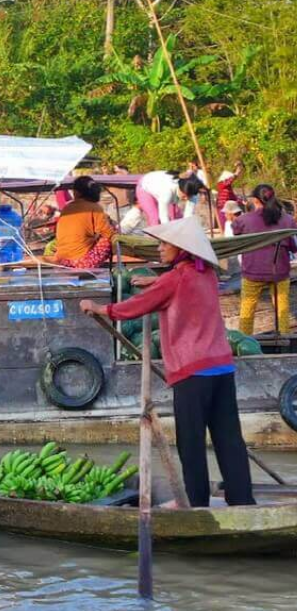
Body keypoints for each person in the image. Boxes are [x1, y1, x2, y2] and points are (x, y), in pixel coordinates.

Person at [80, 218, 254, 508]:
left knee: (190, 441)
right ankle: (242, 500)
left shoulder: (175, 279)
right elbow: (177, 285)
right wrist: (156, 281)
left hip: (193, 371)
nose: (159, 249)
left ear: (181, 249)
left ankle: (195, 502)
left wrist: (100, 308)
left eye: (164, 244)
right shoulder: (207, 273)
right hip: (222, 368)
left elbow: (137, 306)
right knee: (229, 438)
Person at [233, 184, 297, 335]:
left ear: (255, 200)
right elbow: (294, 247)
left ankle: (245, 341)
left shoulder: (243, 220)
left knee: (247, 310)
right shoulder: (288, 220)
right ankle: (284, 338)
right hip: (279, 272)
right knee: (282, 309)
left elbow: (235, 233)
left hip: (252, 272)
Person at [53, 176, 116, 268]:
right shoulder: (95, 207)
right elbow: (107, 233)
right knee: (109, 239)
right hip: (81, 261)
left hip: (61, 260)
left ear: (76, 192)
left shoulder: (67, 207)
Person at [216, 162, 244, 229]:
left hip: (229, 208)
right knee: (224, 225)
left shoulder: (228, 187)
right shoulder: (221, 184)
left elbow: (233, 197)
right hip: (222, 207)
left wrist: (241, 201)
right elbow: (229, 181)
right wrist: (236, 173)